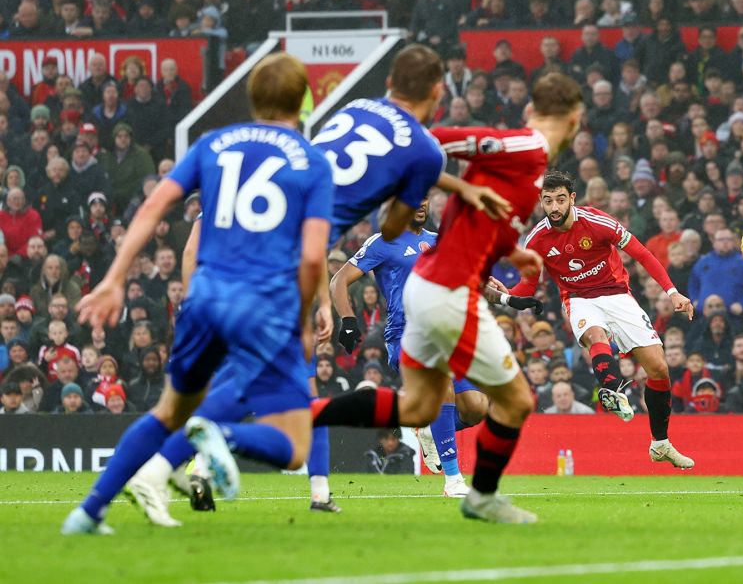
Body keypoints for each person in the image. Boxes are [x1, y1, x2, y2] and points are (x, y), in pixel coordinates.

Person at [124, 45, 513, 522]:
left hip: (251, 258)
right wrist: (330, 305)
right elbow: (381, 232)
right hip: (285, 263)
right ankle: (183, 459)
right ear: (436, 91)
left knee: (249, 386)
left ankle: (162, 472)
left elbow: (188, 237)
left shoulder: (341, 117)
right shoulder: (419, 152)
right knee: (279, 401)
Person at [62, 53, 335, 535]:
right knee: (293, 441)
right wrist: (303, 323)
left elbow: (154, 206)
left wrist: (113, 278)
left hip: (204, 298)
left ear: (252, 97)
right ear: (302, 100)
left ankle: (88, 512)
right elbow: (313, 258)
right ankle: (220, 435)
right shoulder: (311, 162)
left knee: (169, 410)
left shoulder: (214, 143)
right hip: (264, 307)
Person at [312, 73, 585, 524]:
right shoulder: (528, 148)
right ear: (574, 119)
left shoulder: (523, 162)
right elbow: (438, 139)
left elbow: (474, 221)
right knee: (509, 400)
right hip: (442, 294)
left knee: (458, 406)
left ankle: (313, 412)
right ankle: (465, 486)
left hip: (442, 287)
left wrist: (507, 253)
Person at [330, 199, 540, 497]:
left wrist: (508, 301)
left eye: (424, 199)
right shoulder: (383, 241)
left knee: (477, 408)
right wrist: (348, 320)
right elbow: (339, 280)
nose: (420, 205)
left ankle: (429, 426)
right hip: (407, 334)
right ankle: (453, 480)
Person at [504, 170, 696, 469]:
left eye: (559, 200)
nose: (553, 207)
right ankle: (612, 389)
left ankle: (660, 444)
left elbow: (642, 254)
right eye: (547, 201)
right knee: (596, 335)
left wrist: (672, 292)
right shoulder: (537, 240)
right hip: (578, 299)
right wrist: (503, 294)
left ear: (572, 199)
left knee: (658, 368)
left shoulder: (597, 222)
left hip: (618, 294)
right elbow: (527, 288)